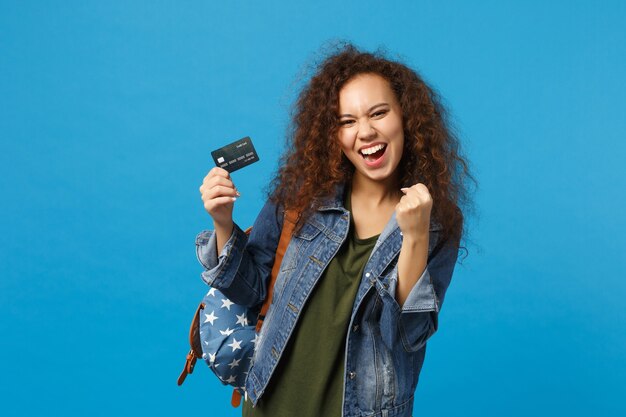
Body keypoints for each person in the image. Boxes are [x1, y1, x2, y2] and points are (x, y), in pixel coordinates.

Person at [197, 43, 474, 417]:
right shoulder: (300, 198)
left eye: (379, 113)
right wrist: (223, 222)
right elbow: (250, 289)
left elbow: (407, 336)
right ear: (333, 133)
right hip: (269, 407)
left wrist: (416, 236)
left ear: (405, 118)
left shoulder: (437, 222)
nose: (366, 132)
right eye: (347, 121)